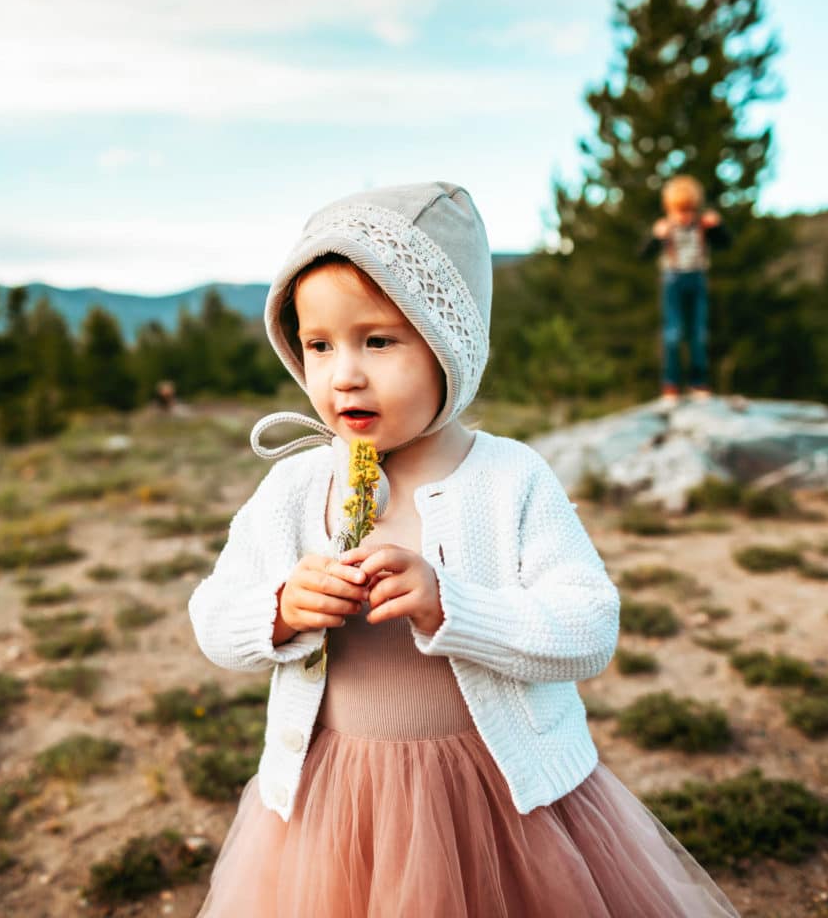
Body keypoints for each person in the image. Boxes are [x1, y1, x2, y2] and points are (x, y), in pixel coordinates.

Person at [188, 182, 738, 916]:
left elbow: (588, 628)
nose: (343, 373)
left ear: (450, 342)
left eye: (378, 340)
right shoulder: (294, 488)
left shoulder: (508, 478)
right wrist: (281, 610)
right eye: (319, 345)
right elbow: (212, 616)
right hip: (336, 802)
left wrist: (454, 605)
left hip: (499, 802)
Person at [640, 175, 731, 403]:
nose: (684, 216)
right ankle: (670, 385)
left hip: (697, 279)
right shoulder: (665, 228)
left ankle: (698, 383)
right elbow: (642, 254)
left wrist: (718, 226)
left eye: (689, 210)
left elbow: (726, 243)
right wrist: (654, 236)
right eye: (679, 211)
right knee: (672, 333)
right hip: (673, 281)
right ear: (669, 208)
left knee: (698, 333)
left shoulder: (703, 226)